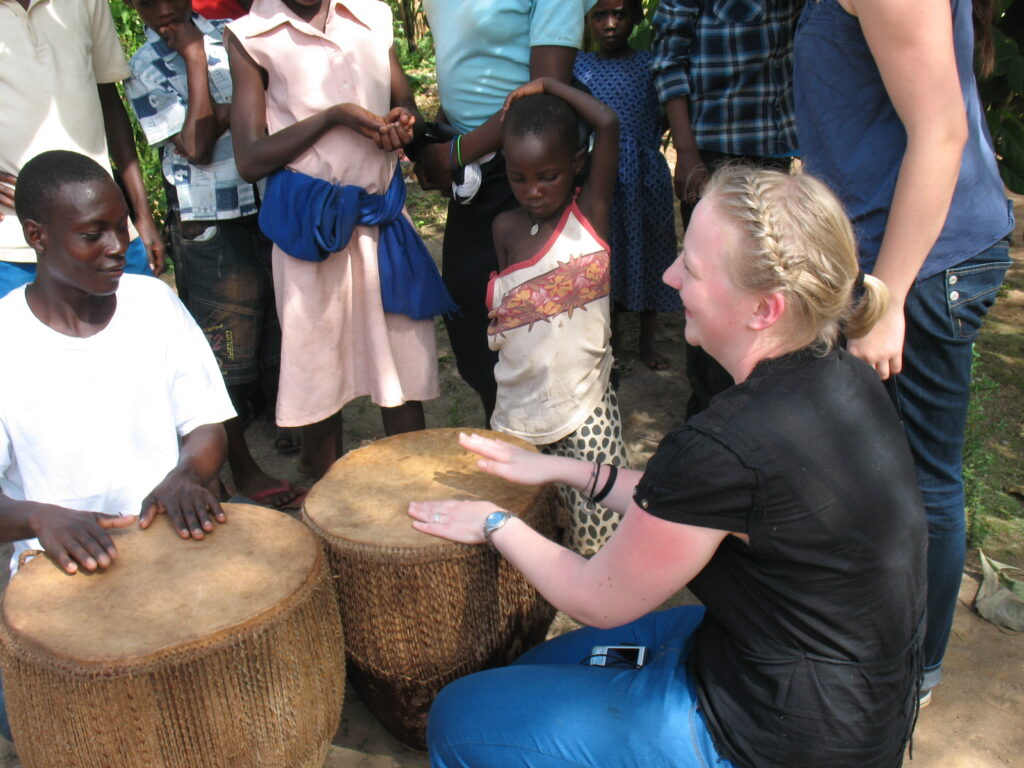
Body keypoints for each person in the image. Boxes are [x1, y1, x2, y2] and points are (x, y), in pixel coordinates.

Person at [410, 166, 928, 768]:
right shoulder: (842, 375)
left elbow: (597, 598)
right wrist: (564, 472)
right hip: (825, 693)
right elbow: (690, 507)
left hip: (775, 735)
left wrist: (496, 523)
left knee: (460, 715)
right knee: (537, 668)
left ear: (765, 309)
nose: (668, 275)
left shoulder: (727, 442)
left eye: (692, 267)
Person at [793, 0, 1014, 705]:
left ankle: (912, 674)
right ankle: (870, 639)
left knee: (920, 479)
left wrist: (885, 298)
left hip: (925, 261)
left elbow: (942, 134)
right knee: (866, 464)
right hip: (887, 251)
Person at [0, 150, 235, 738]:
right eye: (92, 233)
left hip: (167, 548)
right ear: (37, 236)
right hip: (59, 577)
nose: (117, 244)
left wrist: (186, 475)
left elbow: (207, 426)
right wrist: (40, 516)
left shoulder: (152, 304)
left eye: (122, 224)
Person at [225, 0, 443, 479]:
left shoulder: (371, 15)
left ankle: (418, 493)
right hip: (313, 230)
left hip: (382, 220)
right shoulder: (251, 36)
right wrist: (334, 117)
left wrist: (404, 124)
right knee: (318, 369)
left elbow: (408, 110)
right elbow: (250, 158)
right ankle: (328, 497)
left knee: (400, 366)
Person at [123, 0, 303, 509]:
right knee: (219, 353)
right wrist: (196, 62)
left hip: (263, 206)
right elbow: (198, 144)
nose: (163, 10)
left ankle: (290, 424)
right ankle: (238, 466)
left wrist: (225, 114)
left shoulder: (237, 36)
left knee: (277, 325)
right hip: (207, 221)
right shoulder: (143, 65)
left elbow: (270, 115)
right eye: (148, 2)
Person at [417, 0, 596, 423]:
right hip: (474, 169)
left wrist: (455, 152)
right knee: (475, 320)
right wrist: (441, 142)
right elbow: (471, 72)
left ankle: (550, 453)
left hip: (525, 168)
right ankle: (506, 437)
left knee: (537, 323)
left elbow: (544, 93)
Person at [489, 78, 627, 555]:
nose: (533, 191)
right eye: (518, 178)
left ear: (576, 165)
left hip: (584, 407)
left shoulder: (590, 214)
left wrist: (548, 85)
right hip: (518, 406)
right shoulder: (505, 229)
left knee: (597, 532)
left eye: (547, 175)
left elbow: (606, 122)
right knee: (524, 527)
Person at [651, 0, 801, 415]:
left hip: (771, 151)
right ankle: (709, 413)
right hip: (710, 153)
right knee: (709, 291)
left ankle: (758, 409)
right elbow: (669, 59)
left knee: (765, 289)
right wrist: (686, 152)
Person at [0, 0, 166, 298]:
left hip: (108, 233)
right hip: (12, 245)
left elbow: (109, 101)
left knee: (137, 337)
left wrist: (142, 216)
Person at [573, 0, 680, 372]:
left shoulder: (651, 63)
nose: (611, 24)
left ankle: (648, 339)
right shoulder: (579, 66)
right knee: (606, 251)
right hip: (599, 176)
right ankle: (611, 338)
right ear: (588, 20)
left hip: (645, 174)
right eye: (600, 15)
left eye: (620, 14)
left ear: (635, 18)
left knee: (651, 248)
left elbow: (668, 111)